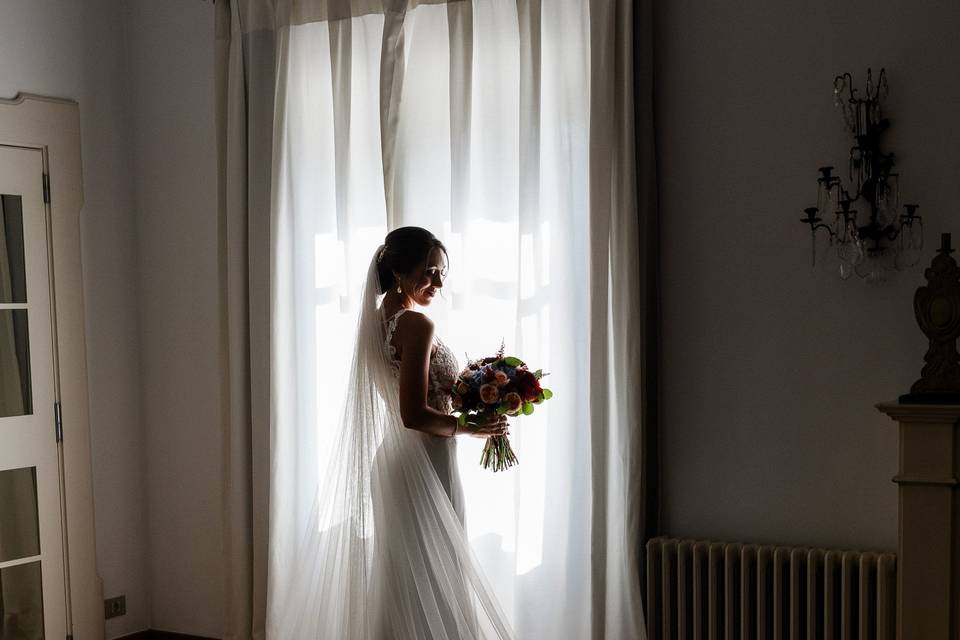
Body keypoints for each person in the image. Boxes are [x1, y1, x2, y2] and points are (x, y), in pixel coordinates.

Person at [270, 227, 515, 640]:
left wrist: (473, 399)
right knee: (437, 572)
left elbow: (416, 400)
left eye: (441, 274)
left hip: (394, 462)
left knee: (404, 575)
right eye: (430, 271)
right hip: (425, 460)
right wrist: (471, 426)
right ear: (400, 272)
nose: (437, 283)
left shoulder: (379, 321)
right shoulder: (417, 325)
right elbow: (413, 414)